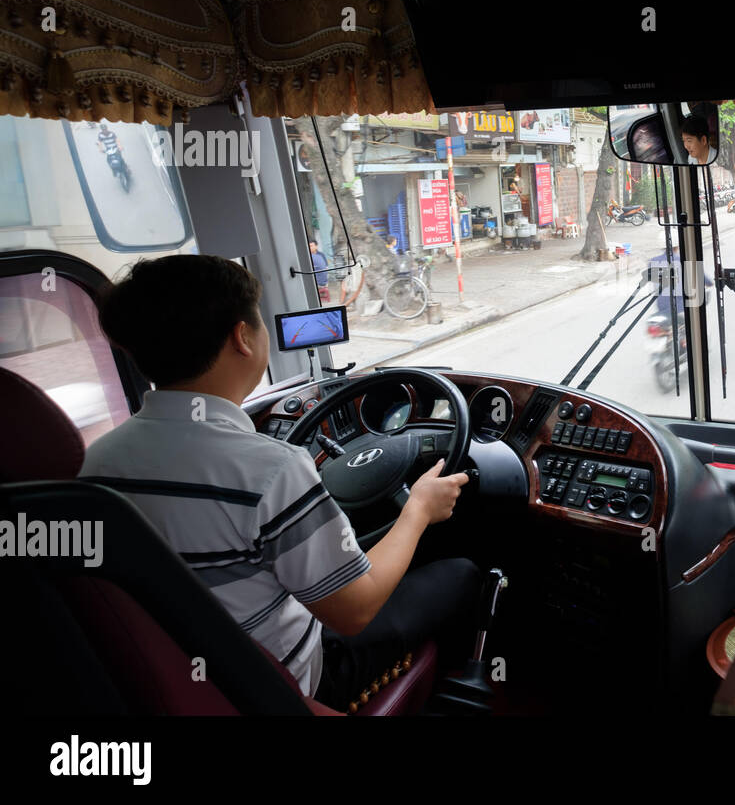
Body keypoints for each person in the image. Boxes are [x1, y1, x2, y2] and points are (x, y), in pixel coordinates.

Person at [80, 255, 480, 711]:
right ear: (243, 337)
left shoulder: (95, 461)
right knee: (460, 574)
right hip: (279, 686)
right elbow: (355, 610)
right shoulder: (271, 469)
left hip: (171, 677)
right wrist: (418, 510)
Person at [309, 239, 329, 303]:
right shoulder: (308, 255)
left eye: (311, 246)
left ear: (316, 246)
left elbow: (326, 267)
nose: (309, 247)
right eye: (308, 246)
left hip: (320, 279)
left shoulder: (321, 255)